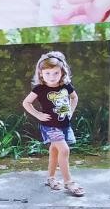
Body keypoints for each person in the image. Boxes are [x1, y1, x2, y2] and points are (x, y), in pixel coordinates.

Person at [22, 50, 84, 197]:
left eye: (56, 73)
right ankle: (69, 182)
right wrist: (38, 114)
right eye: (47, 74)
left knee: (54, 151)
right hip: (50, 126)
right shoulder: (40, 89)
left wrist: (70, 111)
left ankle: (50, 178)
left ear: (62, 72)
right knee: (64, 150)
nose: (52, 77)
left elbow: (74, 98)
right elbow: (26, 103)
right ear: (41, 74)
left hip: (64, 124)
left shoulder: (66, 86)